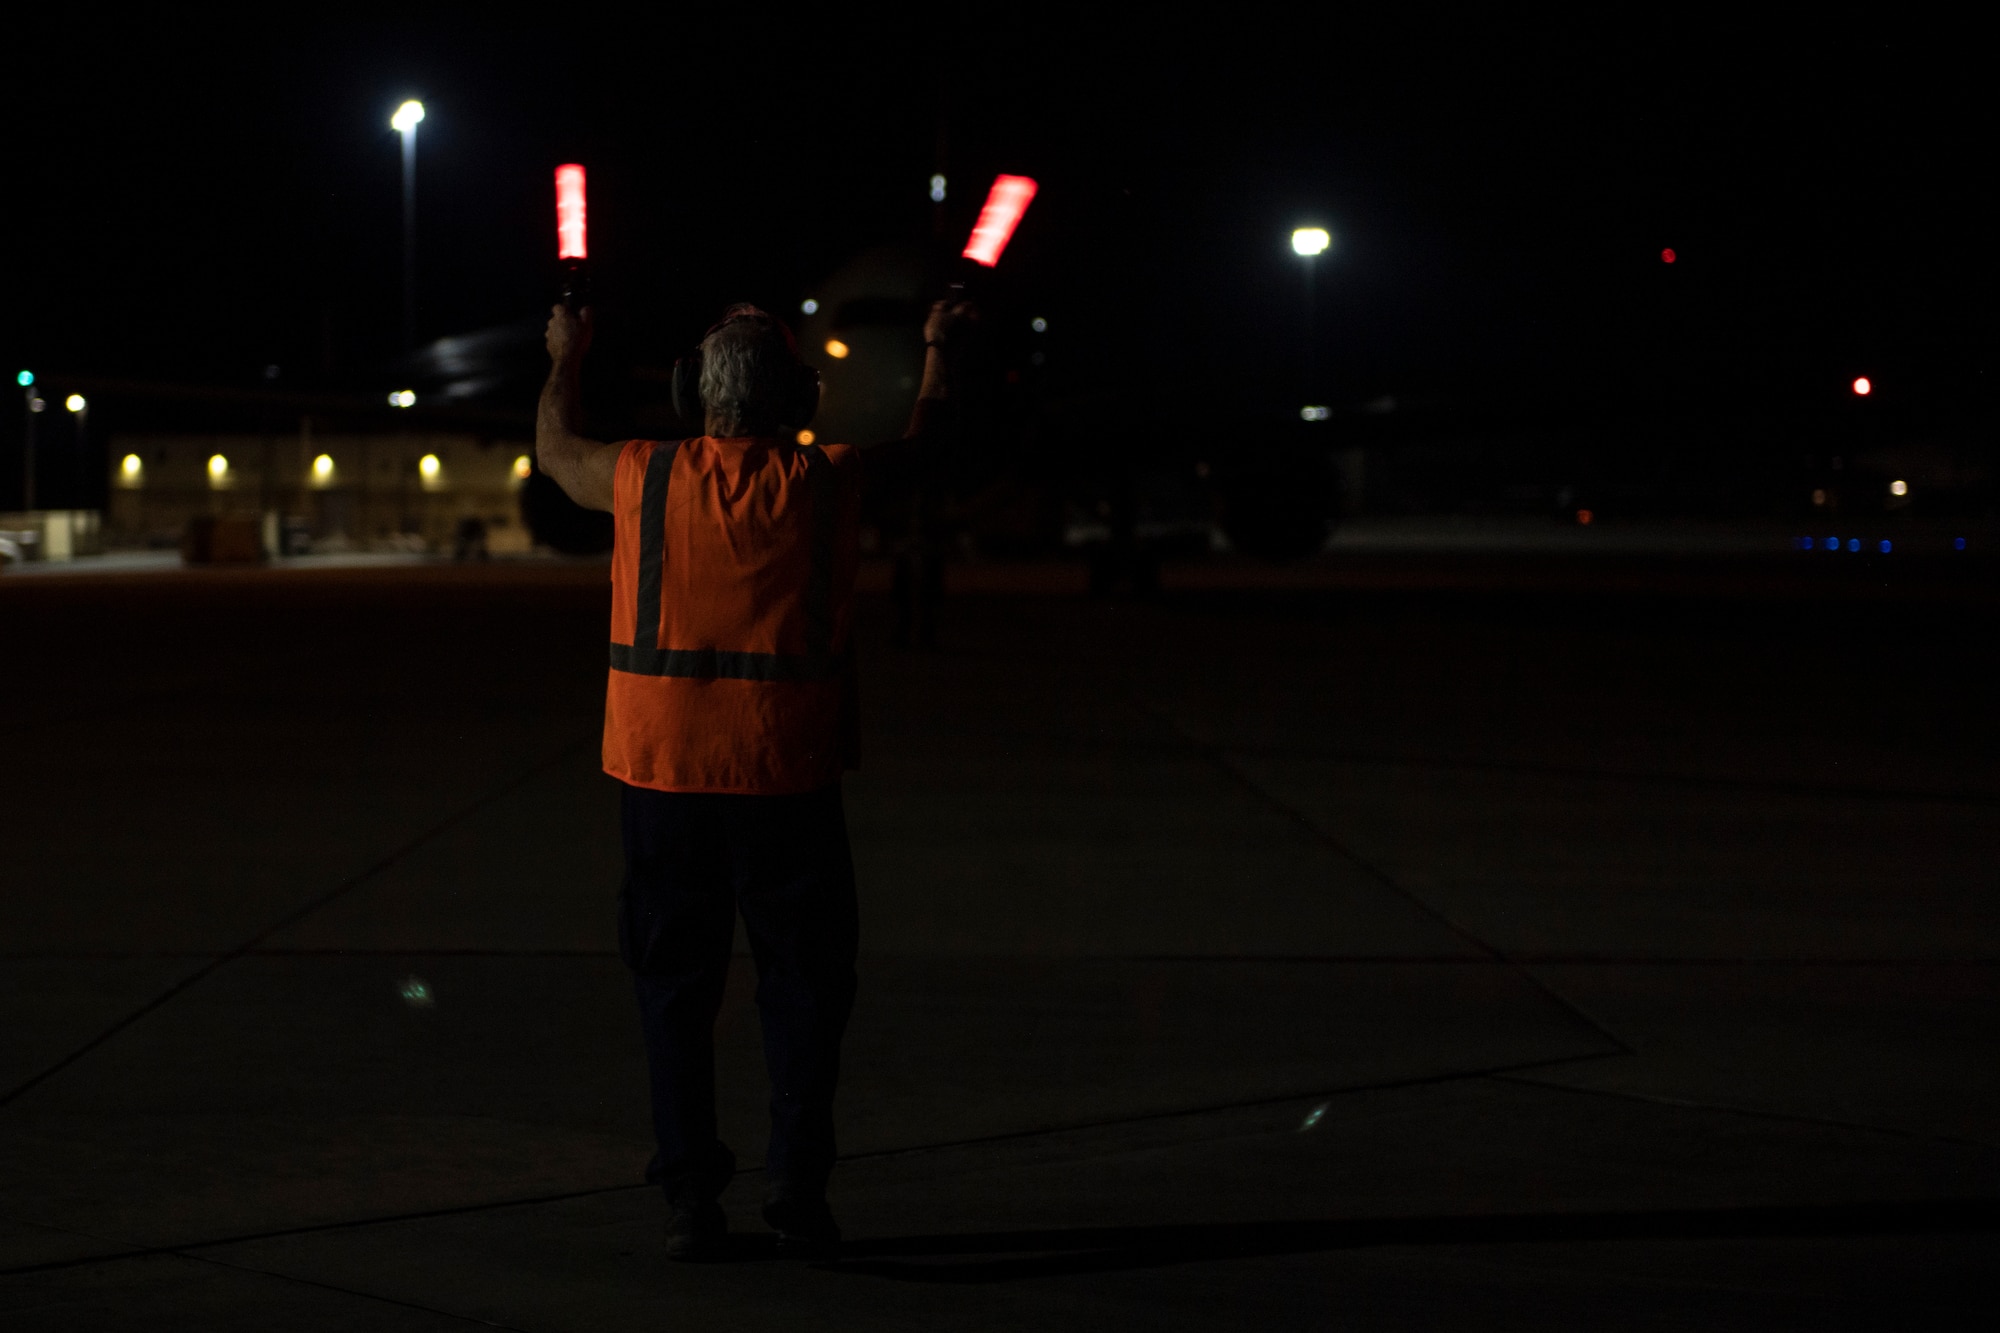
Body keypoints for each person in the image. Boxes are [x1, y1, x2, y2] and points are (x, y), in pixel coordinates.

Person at [536, 297, 964, 1261]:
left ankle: (690, 1194)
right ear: (799, 396)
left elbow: (557, 449)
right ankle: (797, 1187)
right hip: (787, 777)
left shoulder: (643, 476)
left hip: (662, 778)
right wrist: (937, 348)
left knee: (674, 989)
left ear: (694, 394)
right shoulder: (825, 483)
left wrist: (567, 356)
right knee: (806, 988)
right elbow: (929, 447)